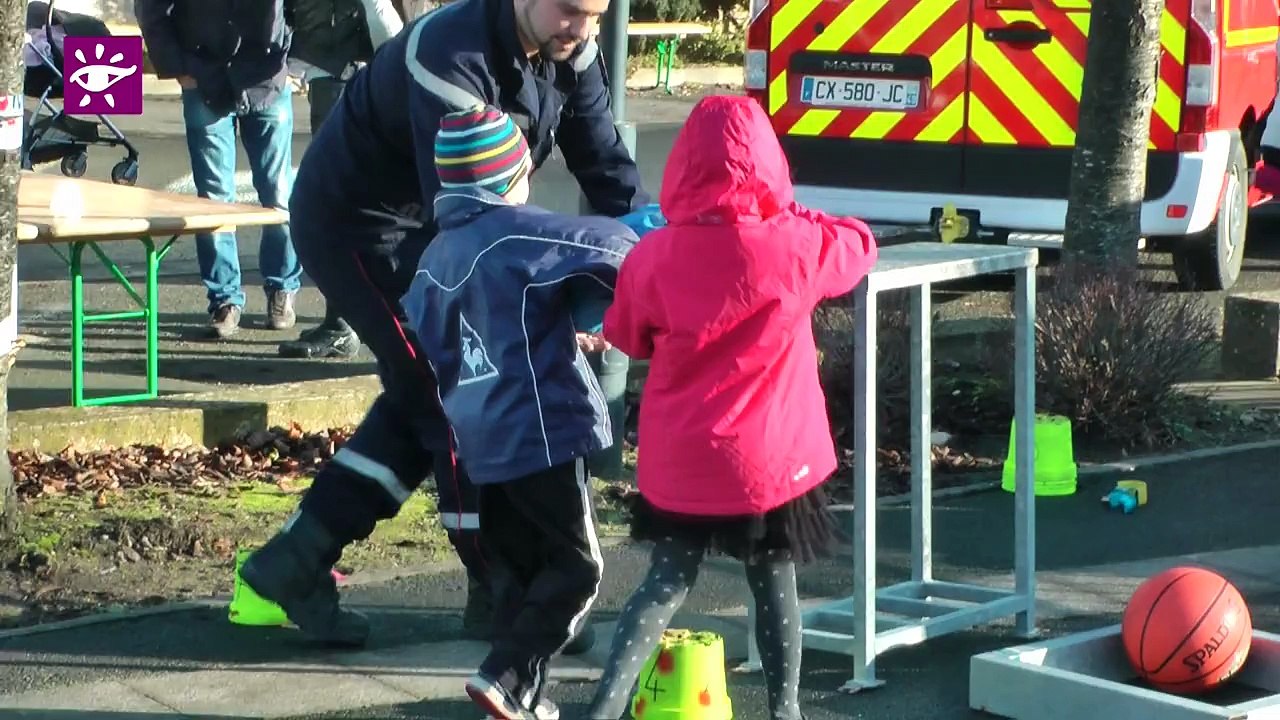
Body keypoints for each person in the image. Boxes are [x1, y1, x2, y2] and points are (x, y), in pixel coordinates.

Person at [238, 0, 648, 653]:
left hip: (444, 232)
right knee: (455, 394)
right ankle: (508, 591)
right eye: (572, 12)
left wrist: (648, 265)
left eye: (597, 16)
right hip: (365, 232)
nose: (584, 29)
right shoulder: (448, 56)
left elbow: (607, 170)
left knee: (422, 391)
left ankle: (296, 559)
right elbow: (472, 216)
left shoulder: (571, 47)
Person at [584, 94, 880, 720]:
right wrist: (792, 209)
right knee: (773, 580)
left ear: (684, 166)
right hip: (768, 462)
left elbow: (628, 336)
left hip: (684, 457)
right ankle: (785, 709)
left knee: (663, 583)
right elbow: (858, 243)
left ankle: (604, 708)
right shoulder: (798, 246)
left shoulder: (652, 257)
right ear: (770, 161)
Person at [402, 104, 636, 720]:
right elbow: (607, 243)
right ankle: (505, 678)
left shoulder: (433, 262)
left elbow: (463, 333)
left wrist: (557, 319)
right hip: (544, 429)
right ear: (515, 175)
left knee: (518, 568)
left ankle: (515, 692)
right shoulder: (515, 233)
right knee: (579, 568)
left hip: (480, 440)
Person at [135, 0, 302, 339]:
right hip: (205, 74)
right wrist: (176, 67)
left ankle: (283, 287)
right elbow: (151, 9)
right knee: (213, 199)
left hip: (268, 74)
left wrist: (296, 62)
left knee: (278, 192)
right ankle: (224, 299)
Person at [279, 0, 406, 360]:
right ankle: (347, 322)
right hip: (331, 78)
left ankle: (347, 326)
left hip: (354, 82)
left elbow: (394, 33)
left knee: (342, 207)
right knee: (337, 205)